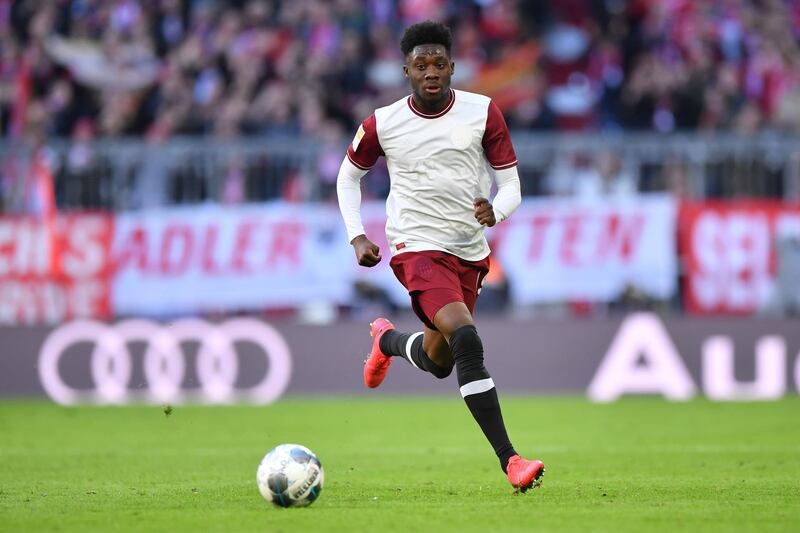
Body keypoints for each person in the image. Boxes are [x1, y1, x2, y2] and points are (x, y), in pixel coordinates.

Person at [336, 21, 544, 493]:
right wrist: (357, 236)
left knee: (440, 360)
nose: (430, 71)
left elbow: (510, 184)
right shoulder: (382, 123)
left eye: (439, 63)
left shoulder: (483, 112)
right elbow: (348, 177)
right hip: (416, 246)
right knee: (466, 338)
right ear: (406, 69)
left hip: (468, 251)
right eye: (420, 64)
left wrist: (498, 211)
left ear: (452, 67)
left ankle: (386, 341)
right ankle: (511, 460)